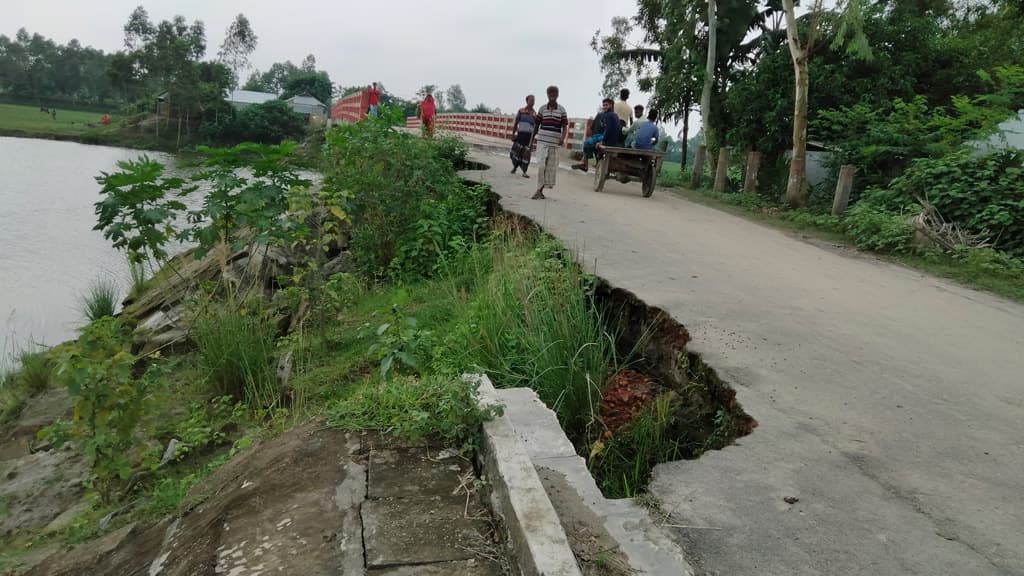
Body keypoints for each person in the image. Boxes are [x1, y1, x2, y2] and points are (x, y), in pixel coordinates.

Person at [531, 85, 568, 200]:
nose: (552, 95)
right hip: (542, 141)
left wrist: (562, 137)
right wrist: (531, 140)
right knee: (541, 166)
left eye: (554, 93)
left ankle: (540, 191)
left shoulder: (562, 110)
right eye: (550, 93)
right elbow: (536, 125)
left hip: (554, 143)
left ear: (557, 95)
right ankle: (538, 190)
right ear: (547, 95)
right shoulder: (542, 109)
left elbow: (565, 126)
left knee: (549, 168)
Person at [572, 98, 614, 173]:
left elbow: (608, 130)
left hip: (604, 137)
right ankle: (585, 163)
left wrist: (601, 139)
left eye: (606, 105)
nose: (604, 107)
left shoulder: (610, 116)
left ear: (611, 105)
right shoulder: (600, 115)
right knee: (589, 142)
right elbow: (593, 128)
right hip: (597, 136)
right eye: (603, 105)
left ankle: (585, 163)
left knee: (587, 143)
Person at [510, 95, 537, 177]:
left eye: (533, 101)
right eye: (531, 100)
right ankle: (514, 167)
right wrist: (513, 134)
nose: (532, 102)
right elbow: (516, 123)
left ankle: (524, 172)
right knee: (516, 153)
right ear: (527, 101)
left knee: (526, 155)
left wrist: (532, 140)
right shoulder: (521, 111)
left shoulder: (535, 114)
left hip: (528, 137)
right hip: (520, 135)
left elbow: (535, 129)